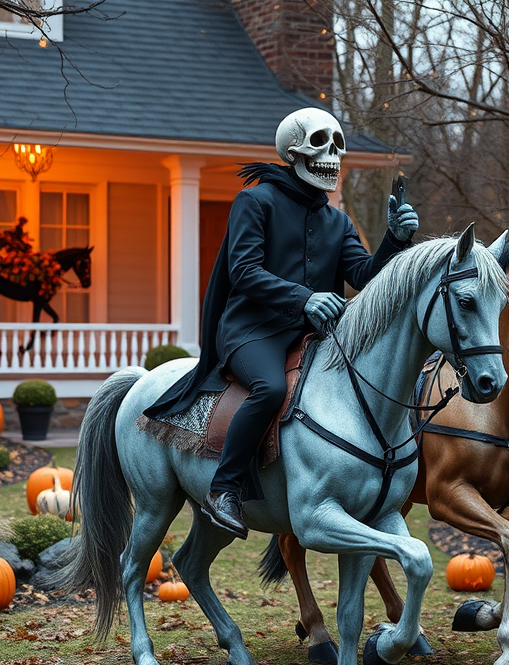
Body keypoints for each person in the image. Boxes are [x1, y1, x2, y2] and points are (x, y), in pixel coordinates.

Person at [144, 107, 419, 539]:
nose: (332, 155)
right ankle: (224, 489)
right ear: (294, 152)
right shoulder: (255, 201)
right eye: (321, 143)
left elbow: (364, 275)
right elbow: (244, 271)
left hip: (310, 338)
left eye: (338, 146)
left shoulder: (338, 220)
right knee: (270, 388)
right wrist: (305, 298)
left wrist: (395, 240)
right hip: (251, 331)